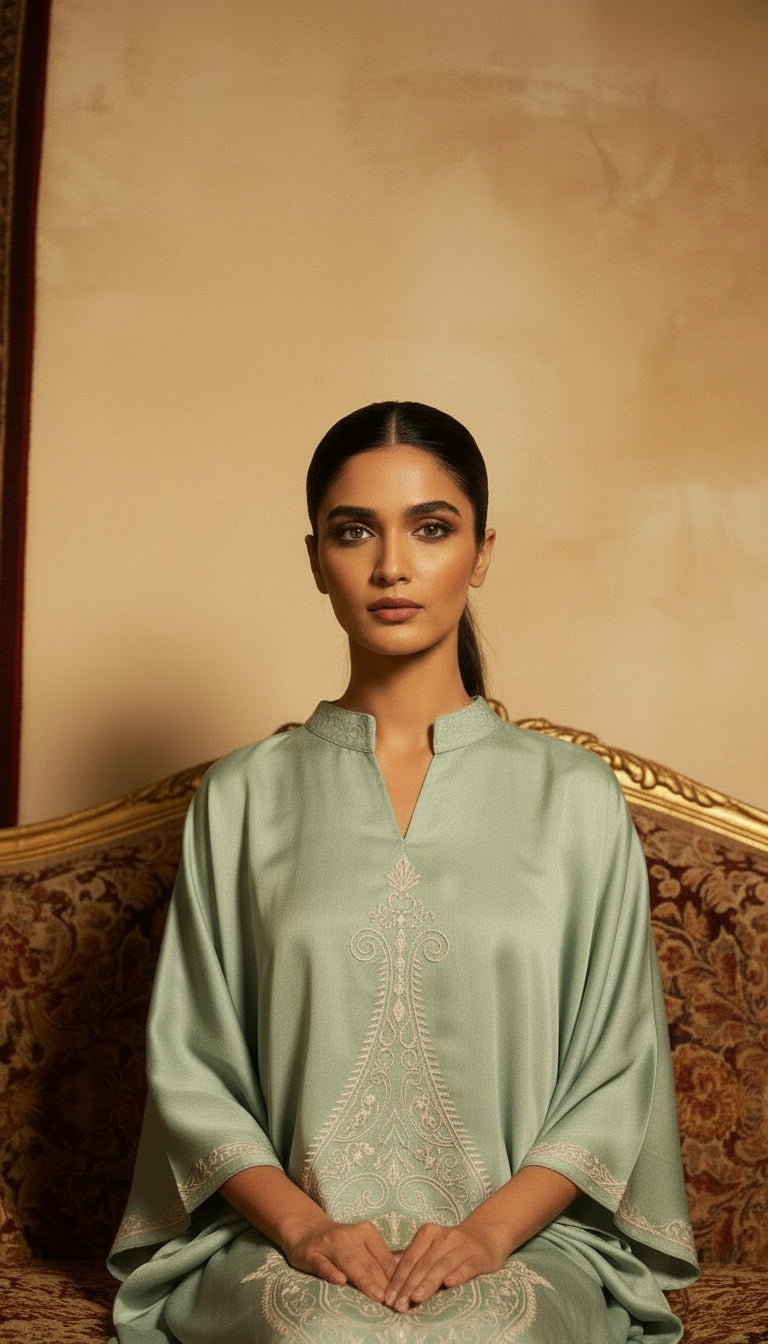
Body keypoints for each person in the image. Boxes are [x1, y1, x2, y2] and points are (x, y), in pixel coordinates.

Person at [108, 401, 699, 1343]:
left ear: (482, 551)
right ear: (316, 559)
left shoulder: (573, 797)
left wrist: (487, 1236)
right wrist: (305, 1231)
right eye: (355, 532)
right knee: (325, 1335)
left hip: (524, 1246)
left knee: (488, 1333)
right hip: (285, 1246)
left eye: (431, 528)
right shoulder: (243, 797)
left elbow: (616, 1069)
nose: (392, 565)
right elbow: (193, 1068)